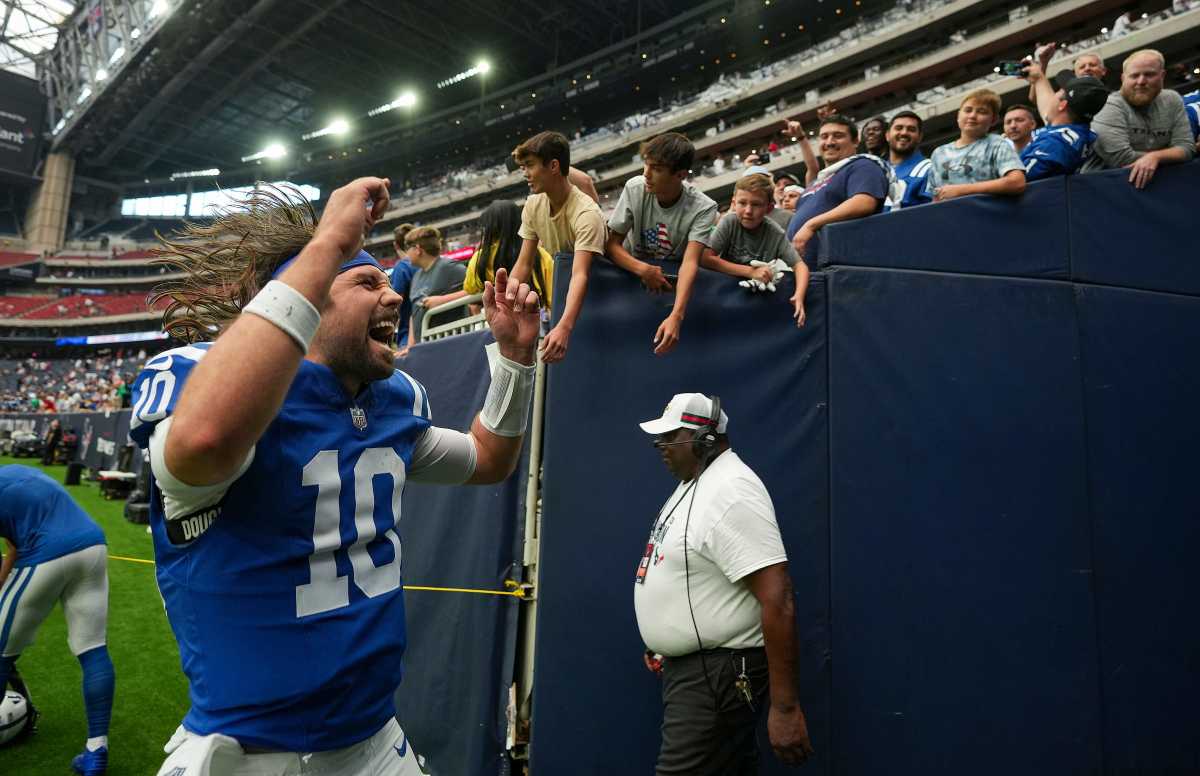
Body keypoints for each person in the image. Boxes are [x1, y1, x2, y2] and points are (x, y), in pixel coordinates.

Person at [135, 180, 540, 775]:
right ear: (308, 297)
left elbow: (489, 460)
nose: (394, 296)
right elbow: (204, 441)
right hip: (251, 755)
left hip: (377, 740)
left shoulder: (390, 401)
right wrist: (326, 241)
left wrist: (513, 361)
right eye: (367, 281)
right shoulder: (212, 387)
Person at [635, 394, 813, 775]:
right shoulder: (695, 484)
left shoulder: (731, 491)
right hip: (697, 672)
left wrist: (785, 708)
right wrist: (668, 642)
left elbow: (778, 599)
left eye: (671, 438)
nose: (661, 447)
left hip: (718, 676)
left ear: (706, 439)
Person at [0, 464, 114, 776]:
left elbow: (16, 547)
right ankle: (96, 750)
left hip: (46, 551)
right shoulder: (17, 472)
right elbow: (11, 546)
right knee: (93, 649)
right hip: (93, 546)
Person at [606, 132, 718, 356]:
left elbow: (690, 262)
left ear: (680, 174)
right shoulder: (635, 188)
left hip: (671, 291)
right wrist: (642, 270)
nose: (646, 174)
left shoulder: (704, 207)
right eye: (646, 165)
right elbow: (611, 245)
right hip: (631, 283)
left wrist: (677, 315)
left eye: (656, 168)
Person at [509, 131, 607, 363]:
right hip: (571, 296)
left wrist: (564, 326)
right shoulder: (533, 205)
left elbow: (580, 273)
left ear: (554, 166)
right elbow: (523, 264)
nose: (526, 174)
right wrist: (507, 298)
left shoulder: (586, 213)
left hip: (601, 295)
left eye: (530, 165)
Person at [785, 114, 891, 311]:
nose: (829, 142)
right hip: (803, 278)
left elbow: (864, 201)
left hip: (836, 279)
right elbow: (812, 168)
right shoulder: (817, 181)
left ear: (856, 140)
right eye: (824, 137)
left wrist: (811, 224)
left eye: (838, 136)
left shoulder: (862, 165)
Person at [1083, 49, 1196, 188]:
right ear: (1123, 78)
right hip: (1103, 190)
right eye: (1134, 76)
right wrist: (1170, 154)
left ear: (1162, 75)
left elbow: (1186, 147)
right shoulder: (1108, 105)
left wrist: (1156, 157)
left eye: (1149, 74)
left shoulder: (1172, 99)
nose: (1141, 81)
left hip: (1157, 187)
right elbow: (1121, 159)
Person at [702, 174, 809, 321]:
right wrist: (750, 271)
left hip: (757, 304)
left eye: (756, 204)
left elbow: (800, 265)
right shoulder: (729, 222)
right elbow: (705, 258)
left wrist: (799, 295)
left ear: (769, 208)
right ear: (734, 203)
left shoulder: (775, 233)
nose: (748, 210)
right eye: (742, 203)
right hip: (723, 297)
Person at [927, 89, 1027, 202]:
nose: (973, 116)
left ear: (993, 120)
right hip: (948, 218)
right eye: (968, 110)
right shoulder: (939, 153)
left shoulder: (997, 144)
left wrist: (962, 190)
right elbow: (934, 197)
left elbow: (1017, 182)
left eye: (982, 112)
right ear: (958, 115)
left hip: (986, 217)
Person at [464, 201, 554, 313]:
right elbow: (552, 293)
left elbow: (470, 288)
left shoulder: (479, 258)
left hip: (498, 319)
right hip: (536, 316)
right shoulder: (538, 254)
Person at [1021, 66, 1109, 180]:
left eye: (1059, 91)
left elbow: (1015, 182)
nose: (1054, 94)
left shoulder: (1054, 143)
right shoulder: (1078, 131)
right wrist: (1039, 77)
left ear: (1062, 105)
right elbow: (1048, 108)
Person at [405, 225, 468, 345]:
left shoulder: (448, 267)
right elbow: (414, 313)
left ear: (418, 249)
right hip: (424, 347)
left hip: (450, 344)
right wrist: (410, 346)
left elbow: (476, 289)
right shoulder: (416, 276)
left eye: (408, 248)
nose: (406, 253)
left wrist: (442, 300)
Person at [885, 111, 933, 208]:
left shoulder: (929, 169)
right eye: (898, 128)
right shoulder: (876, 170)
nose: (904, 133)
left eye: (911, 129)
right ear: (887, 135)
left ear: (920, 137)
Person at [389, 223, 417, 351]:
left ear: (395, 245)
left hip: (408, 335)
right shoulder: (427, 263)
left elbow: (395, 305)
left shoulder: (402, 268)